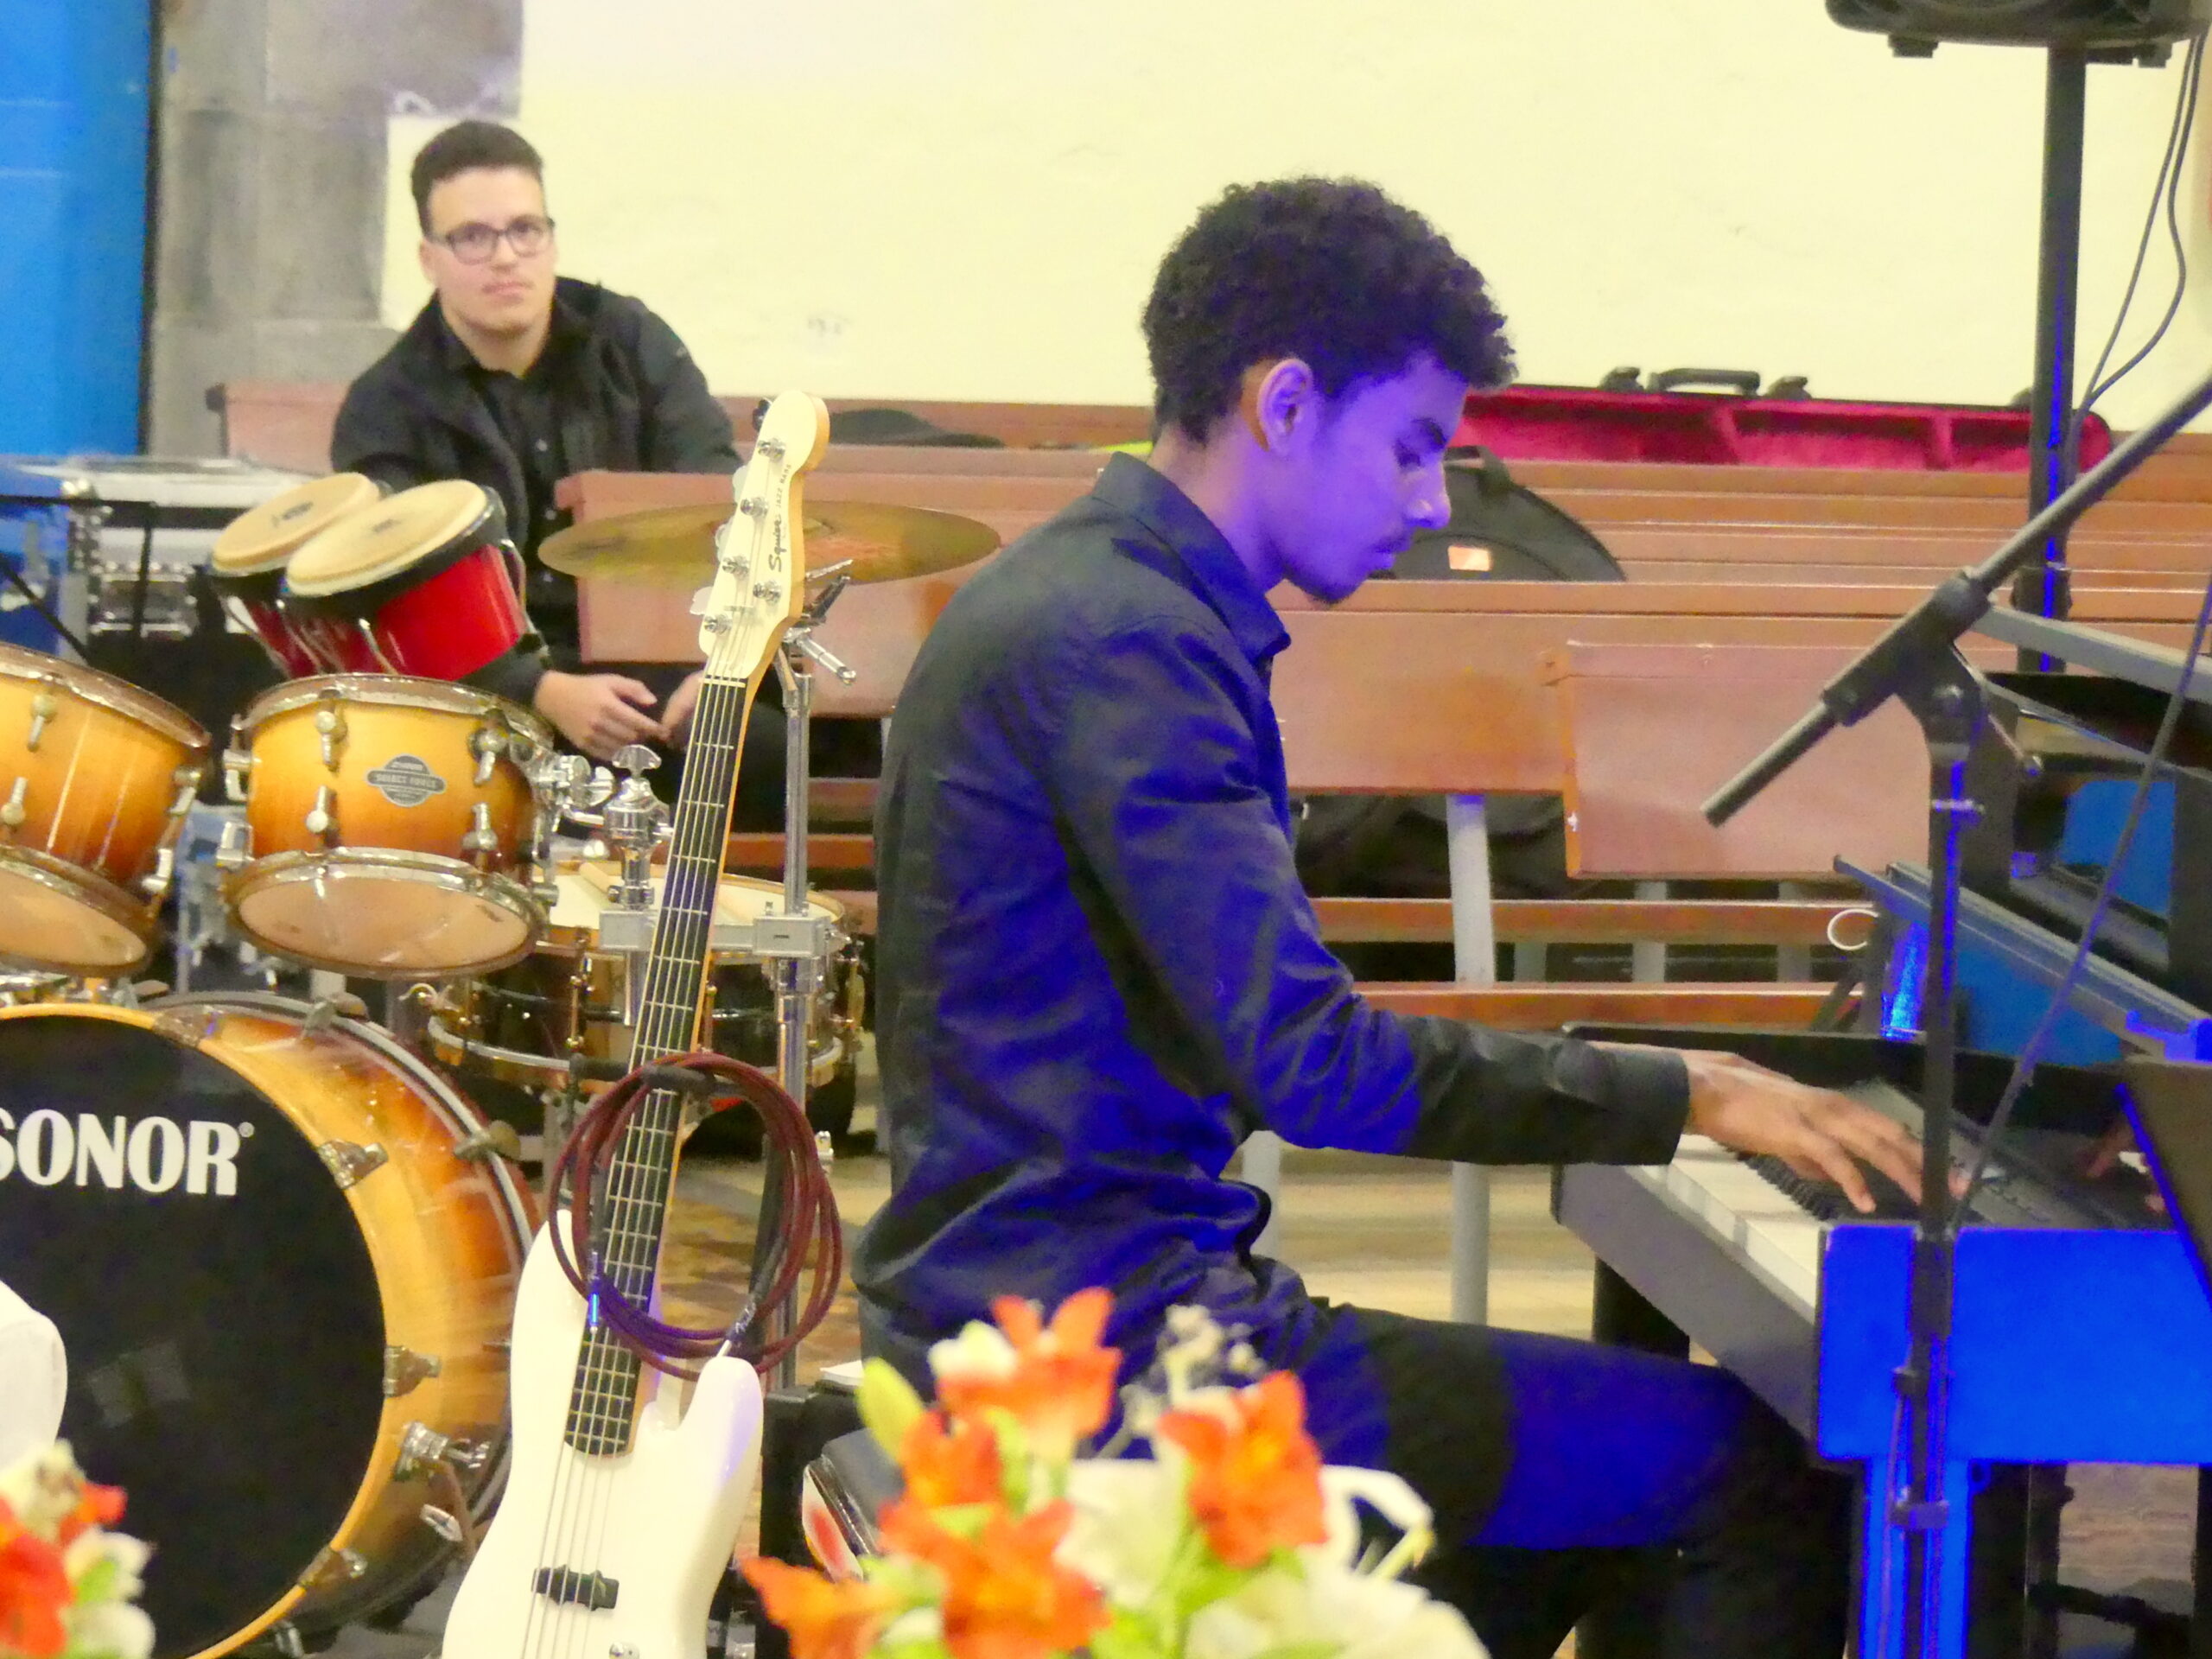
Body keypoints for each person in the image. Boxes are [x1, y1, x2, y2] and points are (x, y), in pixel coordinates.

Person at [855, 179, 1931, 1658]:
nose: (1432, 503)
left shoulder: (1084, 594)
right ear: (1286, 403)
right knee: (1761, 1477)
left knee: (1554, 1498)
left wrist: (1668, 1090)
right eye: (1413, 446)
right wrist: (1693, 1090)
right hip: (1113, 1367)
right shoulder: (1130, 645)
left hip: (1030, 1311)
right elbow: (1312, 1066)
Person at [332, 120, 773, 800]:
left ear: (551, 238)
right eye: (472, 237)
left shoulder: (630, 342)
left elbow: (718, 503)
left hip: (665, 667)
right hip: (490, 690)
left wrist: (722, 667)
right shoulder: (386, 406)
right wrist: (539, 691)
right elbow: (399, 601)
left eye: (525, 230)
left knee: (767, 749)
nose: (506, 257)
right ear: (429, 258)